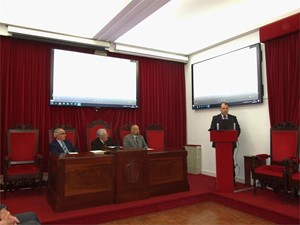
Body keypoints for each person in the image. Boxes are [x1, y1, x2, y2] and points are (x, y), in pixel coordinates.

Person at [209, 102, 241, 185]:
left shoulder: (233, 118)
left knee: (230, 161)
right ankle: (220, 180)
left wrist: (233, 137)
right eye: (223, 108)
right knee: (221, 163)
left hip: (230, 144)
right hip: (219, 145)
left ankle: (231, 180)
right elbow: (212, 129)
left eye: (226, 108)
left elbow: (238, 129)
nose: (225, 110)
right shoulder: (215, 118)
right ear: (220, 109)